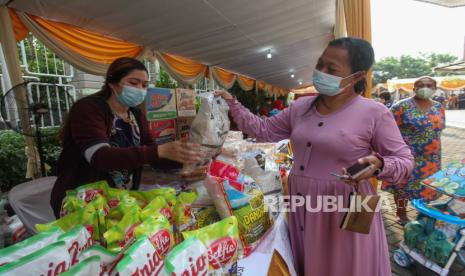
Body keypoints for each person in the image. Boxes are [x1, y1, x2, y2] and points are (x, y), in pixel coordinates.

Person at [216, 37, 414, 276]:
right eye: (320, 65)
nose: (321, 72)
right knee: (309, 262)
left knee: (344, 265)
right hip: (301, 201)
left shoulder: (374, 113)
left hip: (346, 205)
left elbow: (404, 160)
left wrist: (380, 164)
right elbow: (263, 130)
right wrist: (232, 103)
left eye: (332, 69)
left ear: (357, 76)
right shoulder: (301, 107)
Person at [51, 57, 202, 217]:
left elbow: (152, 155)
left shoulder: (135, 114)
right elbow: (99, 156)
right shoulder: (89, 109)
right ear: (112, 82)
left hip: (117, 201)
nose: (140, 89)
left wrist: (183, 156)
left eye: (144, 85)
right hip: (81, 202)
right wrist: (159, 151)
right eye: (133, 82)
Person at [382, 76, 445, 225]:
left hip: (432, 158)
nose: (425, 87)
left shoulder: (438, 107)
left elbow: (439, 129)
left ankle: (424, 213)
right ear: (414, 88)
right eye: (421, 85)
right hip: (408, 156)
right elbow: (387, 129)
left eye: (429, 85)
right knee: (402, 187)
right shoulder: (401, 106)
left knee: (428, 186)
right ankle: (401, 213)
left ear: (435, 88)